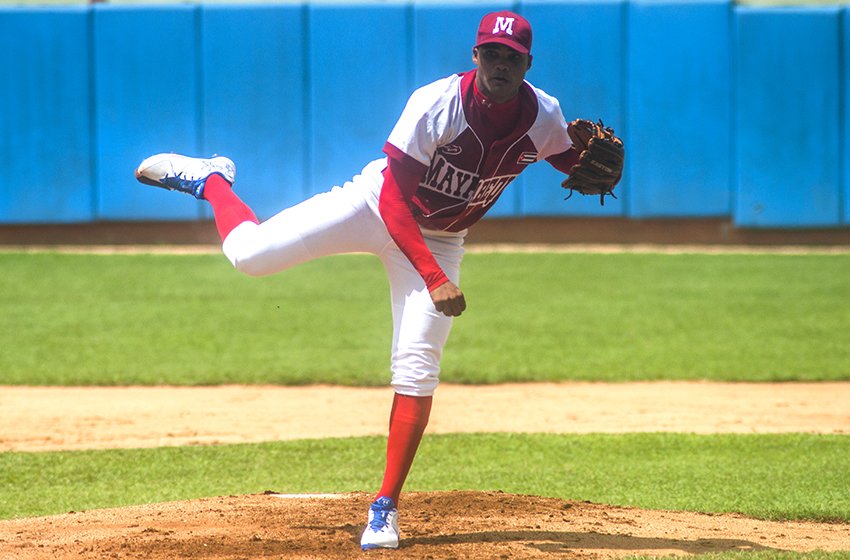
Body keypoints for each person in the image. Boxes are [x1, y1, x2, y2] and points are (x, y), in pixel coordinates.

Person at [135, 10, 590, 551]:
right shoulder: (435, 103)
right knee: (250, 256)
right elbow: (397, 201)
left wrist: (593, 162)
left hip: (442, 236)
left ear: (527, 64)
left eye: (511, 57)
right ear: (475, 56)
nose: (499, 64)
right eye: (490, 53)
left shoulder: (545, 115)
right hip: (376, 207)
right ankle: (212, 180)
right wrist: (434, 277)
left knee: (417, 368)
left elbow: (570, 159)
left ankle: (384, 508)